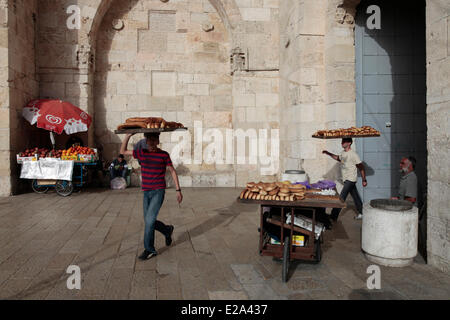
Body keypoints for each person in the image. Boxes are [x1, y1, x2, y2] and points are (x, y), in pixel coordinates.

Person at [120, 132, 182, 260]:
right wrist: (128, 136)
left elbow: (172, 171)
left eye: (154, 139)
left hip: (158, 191)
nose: (152, 142)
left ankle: (149, 249)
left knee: (149, 221)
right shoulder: (142, 153)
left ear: (158, 140)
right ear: (146, 141)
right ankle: (166, 230)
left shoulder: (164, 155)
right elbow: (123, 151)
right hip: (146, 191)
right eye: (149, 139)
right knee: (149, 221)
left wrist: (178, 190)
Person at [323, 138, 367, 221]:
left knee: (341, 197)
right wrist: (328, 153)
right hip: (346, 179)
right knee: (355, 196)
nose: (342, 143)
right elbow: (338, 158)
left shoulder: (353, 154)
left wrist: (364, 180)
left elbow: (361, 167)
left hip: (350, 179)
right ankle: (362, 212)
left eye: (344, 141)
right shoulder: (343, 153)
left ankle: (333, 216)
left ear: (349, 143)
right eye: (342, 141)